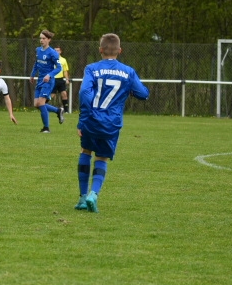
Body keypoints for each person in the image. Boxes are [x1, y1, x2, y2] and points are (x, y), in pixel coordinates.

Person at [75, 33, 149, 213]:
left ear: (100, 50)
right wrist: (129, 90)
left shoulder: (91, 68)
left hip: (92, 119)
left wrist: (83, 120)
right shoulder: (128, 72)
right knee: (102, 157)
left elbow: (84, 93)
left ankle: (83, 198)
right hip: (112, 123)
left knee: (86, 151)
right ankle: (94, 194)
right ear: (120, 51)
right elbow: (144, 94)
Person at [28, 29, 64, 132]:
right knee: (36, 105)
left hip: (48, 81)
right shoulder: (38, 50)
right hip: (40, 80)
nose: (41, 40)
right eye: (40, 38)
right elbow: (36, 63)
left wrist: (49, 75)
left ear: (49, 40)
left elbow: (59, 68)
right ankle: (58, 111)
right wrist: (32, 75)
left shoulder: (53, 53)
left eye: (43, 38)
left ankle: (46, 128)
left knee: (41, 102)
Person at [52, 46, 71, 113]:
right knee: (52, 95)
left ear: (60, 51)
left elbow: (65, 71)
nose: (56, 52)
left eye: (58, 50)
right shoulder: (51, 59)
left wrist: (67, 79)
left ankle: (66, 110)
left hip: (60, 80)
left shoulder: (63, 60)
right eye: (55, 50)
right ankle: (46, 108)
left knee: (64, 94)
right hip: (53, 79)